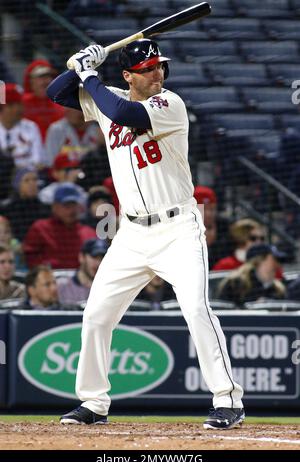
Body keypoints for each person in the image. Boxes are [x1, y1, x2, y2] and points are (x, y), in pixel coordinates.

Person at [47, 39, 244, 429]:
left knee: (196, 309)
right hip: (132, 232)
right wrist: (83, 63)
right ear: (127, 76)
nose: (158, 74)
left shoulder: (168, 104)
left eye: (160, 67)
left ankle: (227, 399)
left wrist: (88, 74)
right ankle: (93, 402)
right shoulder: (109, 97)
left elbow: (121, 111)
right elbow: (56, 93)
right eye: (148, 69)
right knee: (97, 314)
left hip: (177, 227)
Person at [23, 183, 95, 269]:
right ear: (54, 207)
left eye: (74, 205)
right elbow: (29, 258)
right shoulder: (40, 228)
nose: (71, 210)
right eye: (66, 206)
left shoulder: (89, 233)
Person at [217, 244, 287, 307]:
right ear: (258, 261)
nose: (277, 265)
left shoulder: (278, 290)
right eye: (274, 260)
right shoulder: (234, 284)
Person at [57, 238, 108, 304]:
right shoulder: (62, 287)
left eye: (102, 258)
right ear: (81, 257)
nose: (98, 263)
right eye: (94, 257)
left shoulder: (109, 288)